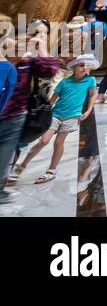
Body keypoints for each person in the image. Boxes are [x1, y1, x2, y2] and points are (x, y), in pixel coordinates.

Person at [10, 55, 96, 186]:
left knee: (58, 143)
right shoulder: (65, 82)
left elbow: (93, 94)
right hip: (55, 115)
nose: (84, 68)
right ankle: (21, 166)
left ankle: (51, 170)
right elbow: (52, 100)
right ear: (73, 68)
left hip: (72, 117)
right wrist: (43, 114)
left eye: (86, 66)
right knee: (43, 141)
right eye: (81, 65)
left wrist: (89, 110)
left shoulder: (90, 80)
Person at [0, 29, 60, 204]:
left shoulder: (29, 59)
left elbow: (49, 70)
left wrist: (41, 47)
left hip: (15, 115)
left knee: (5, 155)